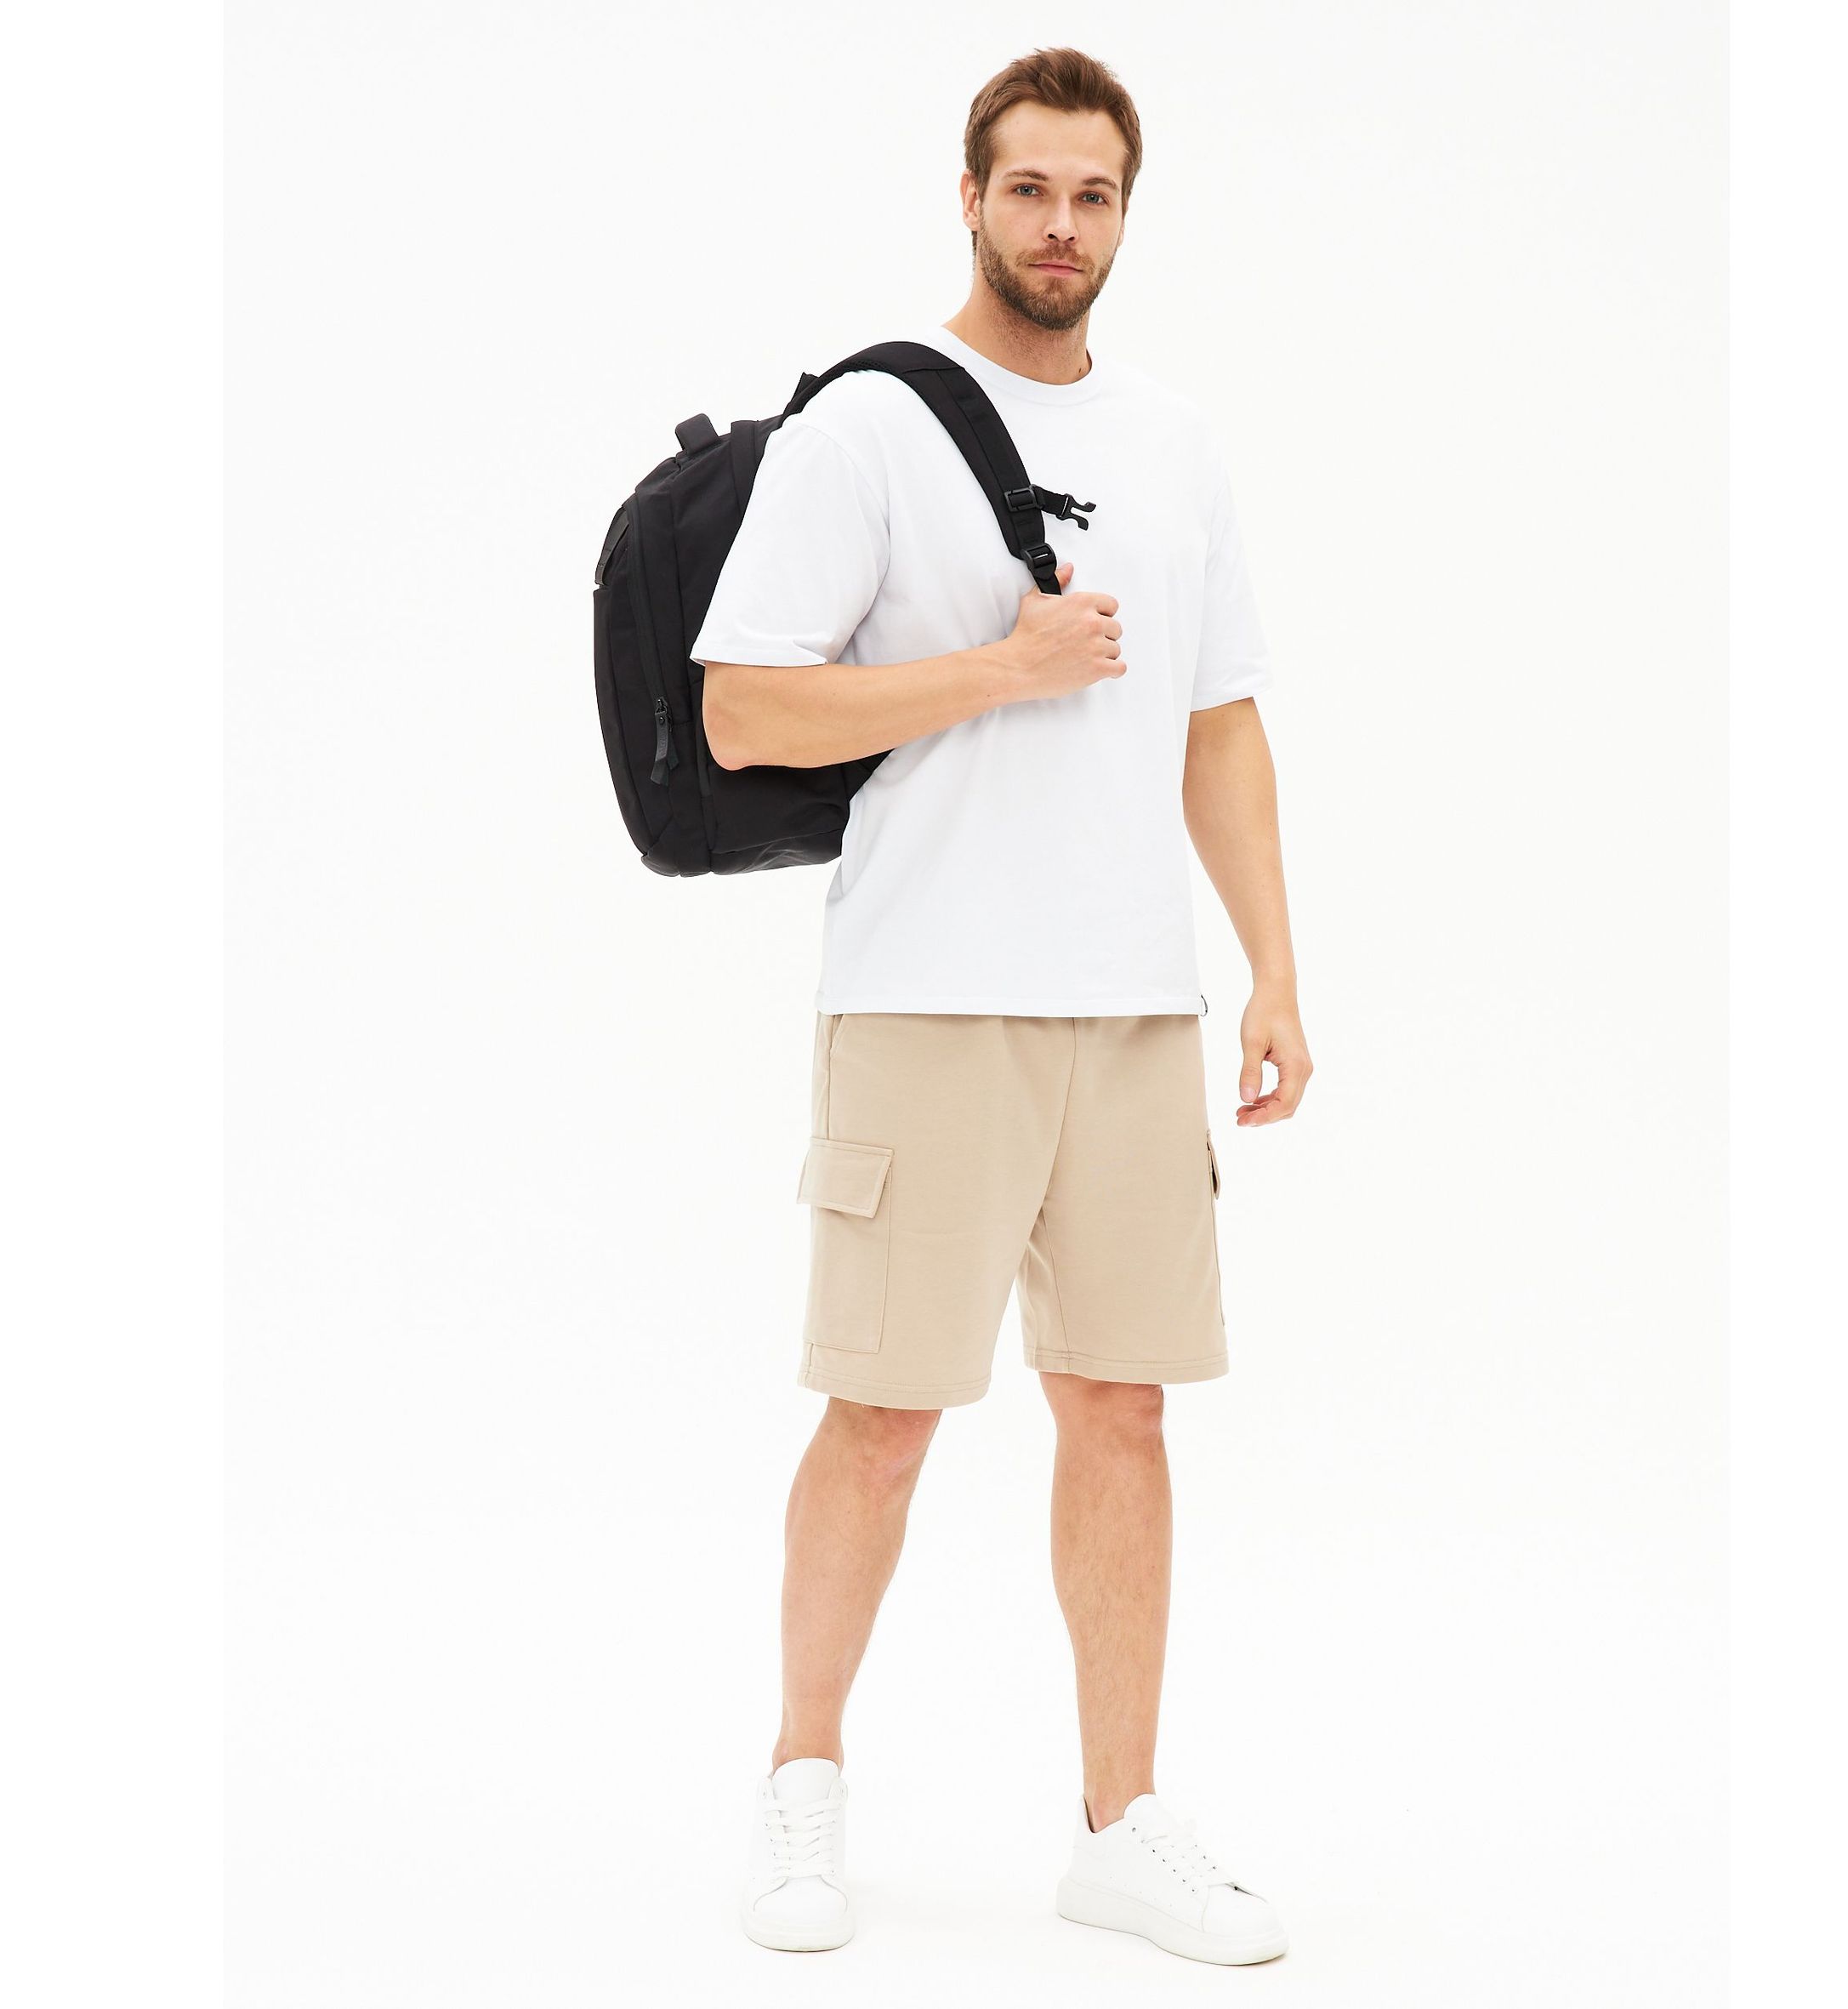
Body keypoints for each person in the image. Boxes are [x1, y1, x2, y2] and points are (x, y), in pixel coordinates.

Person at [690, 47, 1311, 1967]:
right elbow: (743, 707)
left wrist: (1273, 968)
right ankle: (802, 1779)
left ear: (1125, 212)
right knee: (881, 1416)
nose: (1059, 225)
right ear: (970, 196)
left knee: (1121, 1409)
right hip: (928, 995)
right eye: (1028, 188)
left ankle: (1119, 1823)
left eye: (1092, 194)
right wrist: (996, 666)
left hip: (1129, 1008)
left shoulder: (1175, 442)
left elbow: (1217, 719)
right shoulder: (865, 430)